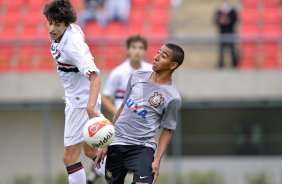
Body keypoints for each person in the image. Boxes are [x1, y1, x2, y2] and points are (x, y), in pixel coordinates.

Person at [95, 43, 184, 184]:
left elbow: (167, 130)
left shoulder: (173, 97)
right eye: (158, 52)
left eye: (163, 56)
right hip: (116, 142)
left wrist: (157, 160)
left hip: (142, 147)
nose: (156, 57)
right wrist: (107, 141)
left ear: (173, 65)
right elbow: (122, 108)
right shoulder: (137, 76)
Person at [43, 1, 101, 183]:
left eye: (57, 24)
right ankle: (117, 169)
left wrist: (90, 107)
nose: (52, 28)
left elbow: (95, 77)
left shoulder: (72, 46)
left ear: (66, 24)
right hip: (76, 99)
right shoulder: (69, 30)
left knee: (69, 157)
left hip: (81, 103)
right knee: (91, 151)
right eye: (50, 22)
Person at [102, 35, 152, 116]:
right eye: (134, 47)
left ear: (145, 51)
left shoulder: (151, 71)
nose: (137, 51)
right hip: (123, 122)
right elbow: (105, 97)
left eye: (141, 48)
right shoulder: (118, 72)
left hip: (145, 121)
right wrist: (117, 112)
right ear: (128, 50)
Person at [215, 0, 238, 68]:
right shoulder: (219, 11)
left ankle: (234, 64)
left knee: (232, 50)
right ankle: (221, 64)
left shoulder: (233, 11)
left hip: (230, 32)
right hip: (222, 33)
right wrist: (222, 21)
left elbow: (233, 20)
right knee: (221, 50)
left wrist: (226, 20)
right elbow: (216, 21)